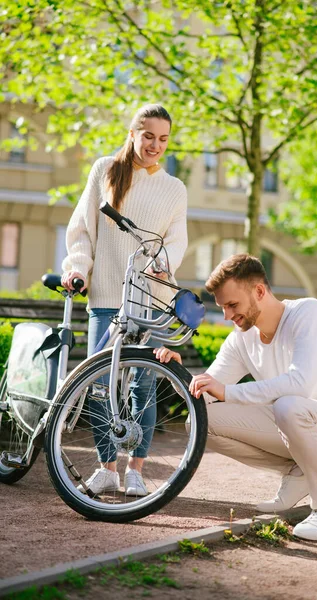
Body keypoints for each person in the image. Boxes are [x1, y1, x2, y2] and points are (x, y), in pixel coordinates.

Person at [154, 253, 317, 541]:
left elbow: (299, 383)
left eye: (232, 305)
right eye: (222, 307)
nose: (226, 316)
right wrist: (178, 373)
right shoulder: (241, 338)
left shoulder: (308, 313)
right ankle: (299, 473)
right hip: (296, 424)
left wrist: (230, 392)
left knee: (289, 405)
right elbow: (207, 394)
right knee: (199, 421)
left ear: (259, 291)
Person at [61, 104, 188, 497]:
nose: (155, 145)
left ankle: (134, 469)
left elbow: (176, 239)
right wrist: (79, 267)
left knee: (142, 385)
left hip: (149, 297)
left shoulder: (174, 189)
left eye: (163, 139)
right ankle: (105, 466)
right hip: (105, 294)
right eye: (148, 135)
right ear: (133, 132)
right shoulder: (105, 170)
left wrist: (164, 265)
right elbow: (83, 226)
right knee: (100, 382)